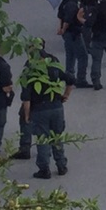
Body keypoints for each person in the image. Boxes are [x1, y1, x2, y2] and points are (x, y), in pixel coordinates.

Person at [20, 43, 72, 179]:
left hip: (40, 109)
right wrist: (65, 95)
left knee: (43, 139)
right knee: (57, 136)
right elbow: (71, 79)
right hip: (56, 107)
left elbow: (26, 98)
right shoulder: (54, 67)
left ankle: (44, 169)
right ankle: (61, 165)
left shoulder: (29, 72)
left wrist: (27, 115)